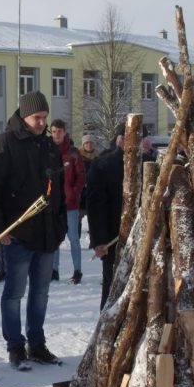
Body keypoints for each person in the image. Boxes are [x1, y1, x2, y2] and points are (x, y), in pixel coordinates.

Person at [0, 90, 66, 370]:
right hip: (17, 234)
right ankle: (15, 346)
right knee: (14, 293)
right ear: (23, 115)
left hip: (46, 234)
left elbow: (59, 192)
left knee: (41, 292)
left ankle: (37, 343)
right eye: (36, 118)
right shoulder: (5, 144)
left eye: (44, 117)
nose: (42, 123)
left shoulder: (49, 147)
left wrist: (60, 224)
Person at [86, 126, 125, 308]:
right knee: (112, 286)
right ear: (120, 139)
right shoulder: (102, 165)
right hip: (112, 237)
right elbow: (95, 206)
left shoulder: (148, 162)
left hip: (142, 236)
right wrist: (99, 240)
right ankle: (107, 328)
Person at [50, 119, 86, 284]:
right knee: (54, 238)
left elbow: (81, 176)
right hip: (53, 204)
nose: (57, 134)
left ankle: (77, 270)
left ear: (65, 132)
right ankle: (54, 270)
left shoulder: (72, 152)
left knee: (74, 238)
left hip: (70, 203)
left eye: (60, 131)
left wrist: (74, 193)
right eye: (54, 131)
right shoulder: (48, 151)